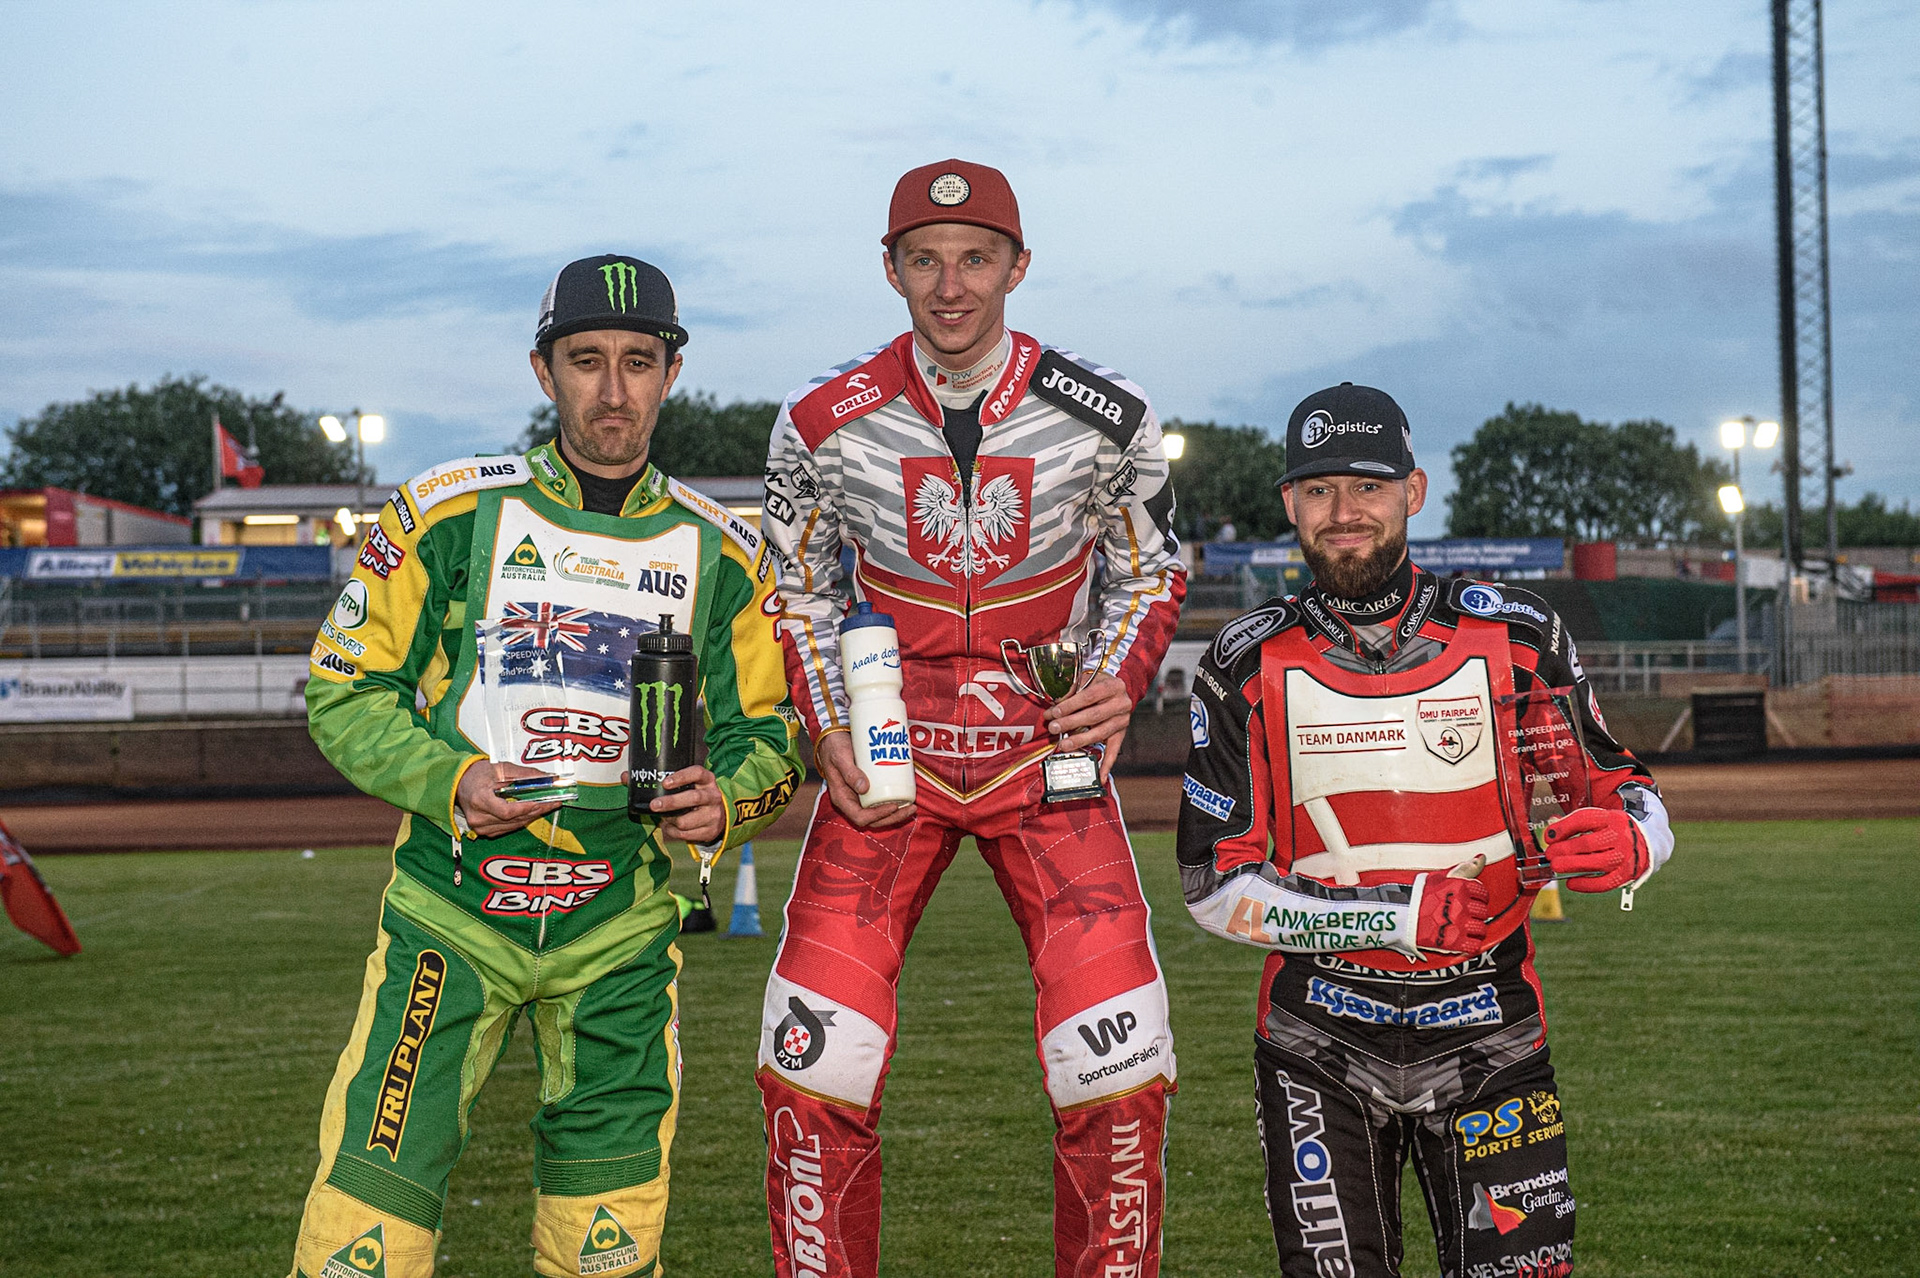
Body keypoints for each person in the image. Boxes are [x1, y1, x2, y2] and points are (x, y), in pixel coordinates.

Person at [289, 254, 803, 1278]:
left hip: (619, 931)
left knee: (608, 1233)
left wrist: (729, 800)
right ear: (543, 370)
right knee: (369, 1218)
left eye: (638, 362)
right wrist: (449, 781)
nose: (613, 390)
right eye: (586, 361)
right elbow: (344, 689)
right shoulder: (445, 511)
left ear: (671, 374)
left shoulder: (729, 553)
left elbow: (773, 736)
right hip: (450, 917)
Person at [757, 159, 1187, 1278]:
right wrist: (826, 725)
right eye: (926, 260)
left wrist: (1116, 676)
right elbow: (794, 588)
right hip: (886, 764)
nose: (951, 286)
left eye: (976, 259)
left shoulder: (1109, 414)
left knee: (1120, 1071)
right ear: (890, 267)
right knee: (812, 1065)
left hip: (1046, 764)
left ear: (1018, 266)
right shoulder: (818, 420)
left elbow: (1152, 570)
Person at [1176, 382, 1673, 1278]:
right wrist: (1393, 915)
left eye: (1367, 486)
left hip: (1493, 1034)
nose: (1343, 512)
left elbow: (1622, 788)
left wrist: (1637, 842)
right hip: (1315, 1043)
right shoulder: (1244, 660)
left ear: (1413, 491)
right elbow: (1212, 888)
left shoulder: (1517, 635)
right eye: (1319, 490)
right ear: (1289, 503)